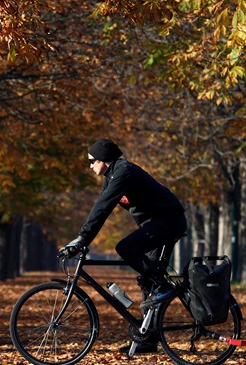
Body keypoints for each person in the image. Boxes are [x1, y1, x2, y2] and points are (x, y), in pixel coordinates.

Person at [59, 139, 187, 354]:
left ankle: (164, 287)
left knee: (125, 248)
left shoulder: (123, 171)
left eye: (92, 161)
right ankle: (147, 340)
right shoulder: (112, 176)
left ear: (104, 160)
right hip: (157, 223)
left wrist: (82, 238)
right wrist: (84, 238)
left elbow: (103, 207)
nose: (90, 166)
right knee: (148, 284)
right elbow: (100, 208)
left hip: (168, 221)